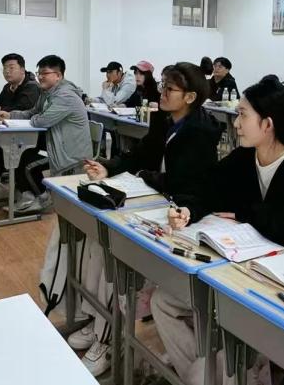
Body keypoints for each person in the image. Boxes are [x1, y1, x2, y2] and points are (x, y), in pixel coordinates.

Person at [153, 76, 284, 385]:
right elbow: (209, 188)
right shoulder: (247, 155)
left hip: (283, 281)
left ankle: (211, 372)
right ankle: (203, 371)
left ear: (268, 124)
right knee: (162, 300)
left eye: (243, 115)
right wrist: (189, 210)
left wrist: (243, 213)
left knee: (209, 368)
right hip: (240, 268)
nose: (235, 123)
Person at [71, 62, 221, 376]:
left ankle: (107, 339)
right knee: (98, 246)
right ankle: (98, 322)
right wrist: (109, 167)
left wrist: (145, 175)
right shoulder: (164, 119)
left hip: (181, 216)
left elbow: (183, 183)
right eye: (162, 85)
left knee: (117, 257)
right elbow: (141, 153)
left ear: (190, 97)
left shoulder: (202, 131)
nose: (161, 93)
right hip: (155, 202)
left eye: (169, 89)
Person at [9, 55, 92, 212]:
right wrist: (10, 115)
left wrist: (38, 117)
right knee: (22, 155)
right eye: (39, 73)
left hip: (70, 155)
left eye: (45, 73)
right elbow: (33, 113)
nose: (40, 77)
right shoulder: (47, 92)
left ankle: (44, 199)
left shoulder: (65, 96)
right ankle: (35, 197)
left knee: (28, 165)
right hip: (55, 146)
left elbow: (41, 121)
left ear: (58, 75)